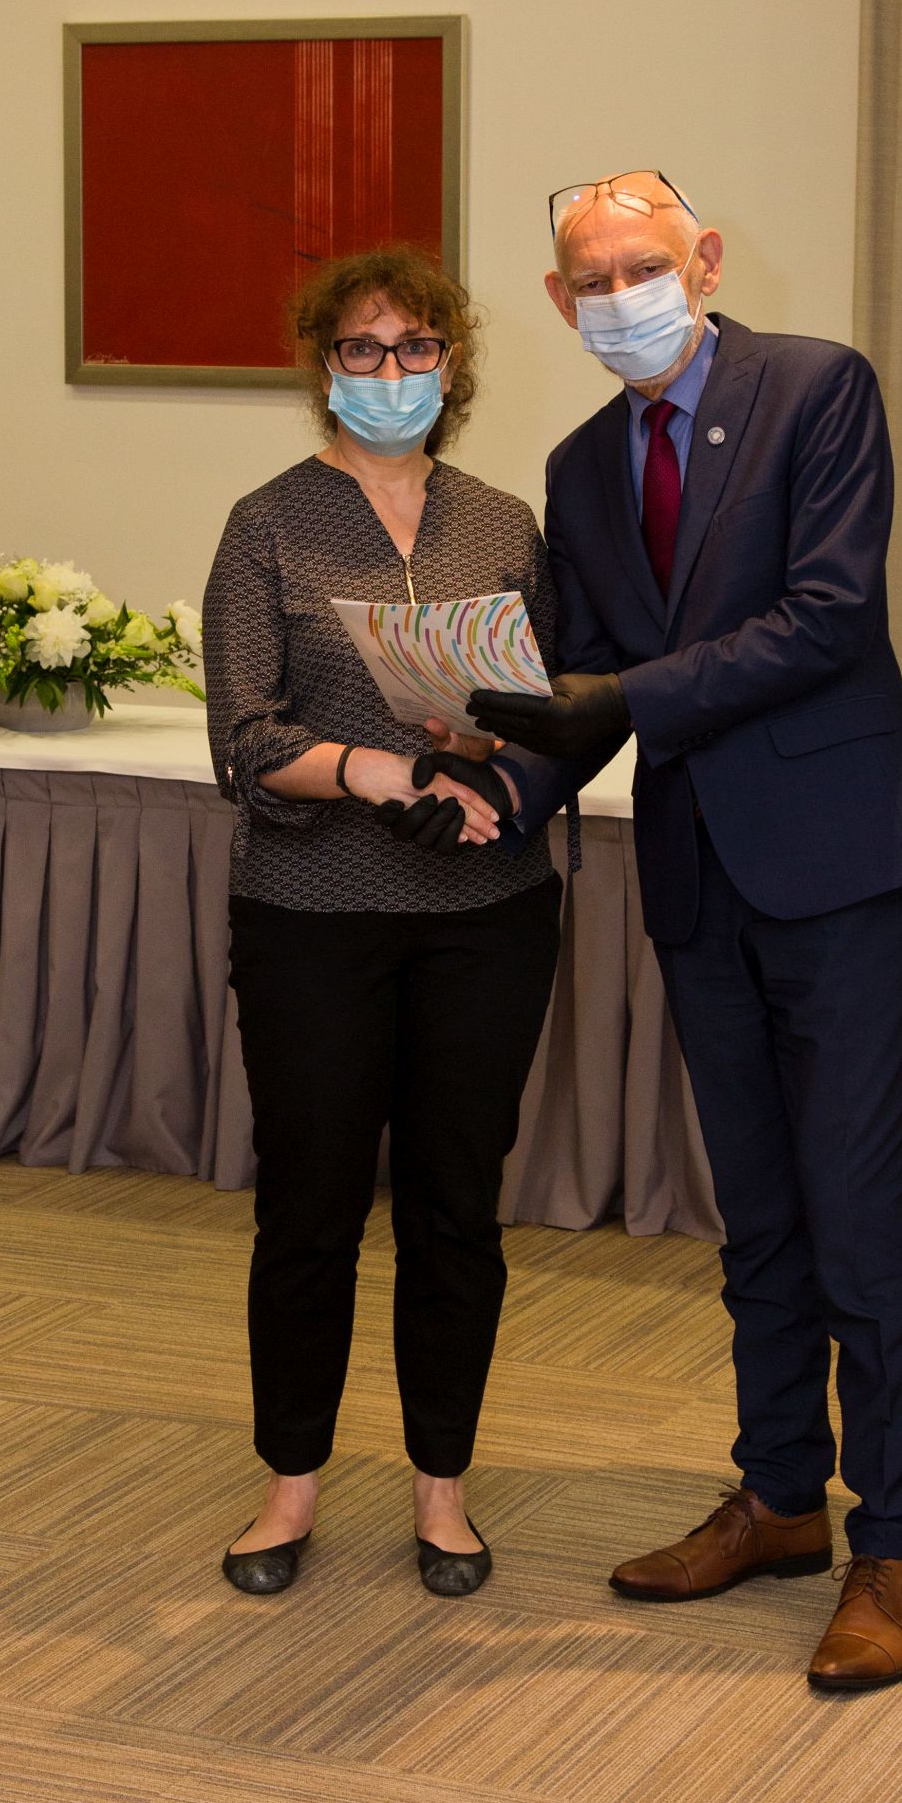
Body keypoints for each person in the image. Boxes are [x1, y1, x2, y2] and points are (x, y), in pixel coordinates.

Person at [432, 172, 902, 1689]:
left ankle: (898, 1544)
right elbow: (588, 688)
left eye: (643, 265)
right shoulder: (579, 465)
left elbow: (828, 617)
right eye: (590, 279)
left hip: (839, 868)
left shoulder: (817, 390)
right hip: (700, 882)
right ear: (557, 302)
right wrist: (498, 790)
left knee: (857, 1219)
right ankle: (782, 1497)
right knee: (760, 1221)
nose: (620, 297)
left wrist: (616, 698)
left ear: (704, 259)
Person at [202, 246, 562, 1600]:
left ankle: (442, 1490)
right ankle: (290, 1483)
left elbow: (551, 714)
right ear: (325, 368)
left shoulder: (502, 526)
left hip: (487, 912)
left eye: (416, 347)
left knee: (456, 1209)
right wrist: (373, 771)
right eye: (363, 349)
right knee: (309, 1208)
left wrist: (490, 760)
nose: (392, 371)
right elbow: (244, 739)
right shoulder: (267, 525)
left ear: (450, 366)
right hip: (311, 914)